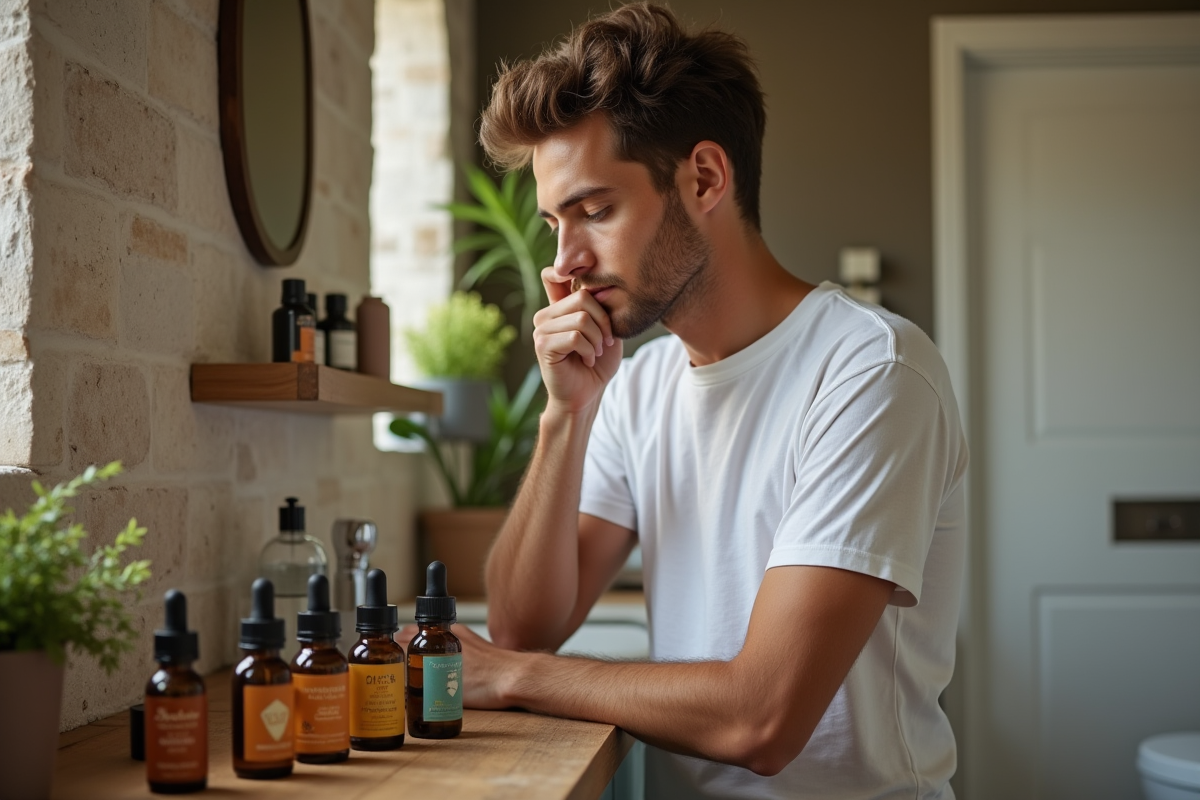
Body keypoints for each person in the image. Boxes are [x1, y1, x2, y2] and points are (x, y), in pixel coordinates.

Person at [447, 4, 969, 797]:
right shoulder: (640, 386)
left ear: (704, 179)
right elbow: (527, 624)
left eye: (594, 211)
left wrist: (517, 677)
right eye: (555, 223)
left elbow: (761, 720)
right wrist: (566, 414)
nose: (565, 265)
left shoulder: (870, 371)